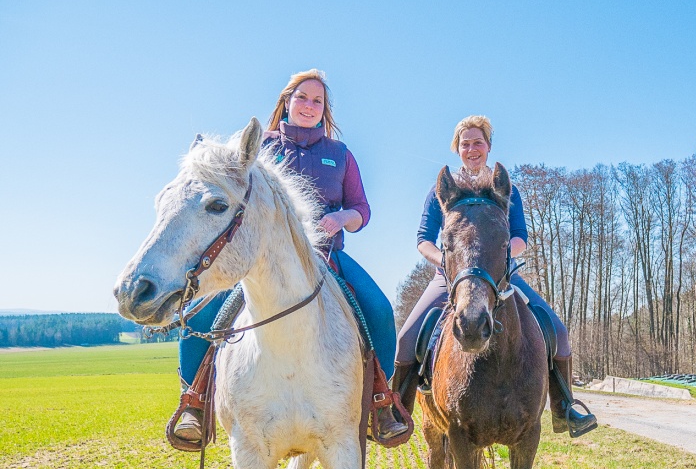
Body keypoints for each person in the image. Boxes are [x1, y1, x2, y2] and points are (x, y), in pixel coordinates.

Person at [172, 69, 407, 443]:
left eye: (318, 101)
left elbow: (361, 209)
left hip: (327, 257)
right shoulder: (260, 146)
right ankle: (194, 402)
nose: (309, 106)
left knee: (378, 309)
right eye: (302, 98)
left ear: (325, 110)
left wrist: (341, 217)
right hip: (259, 260)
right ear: (286, 101)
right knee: (201, 311)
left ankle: (381, 399)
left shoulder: (340, 155)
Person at [390, 115, 597, 438]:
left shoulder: (504, 188)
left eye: (478, 143)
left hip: (499, 275)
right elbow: (423, 239)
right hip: (450, 275)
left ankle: (564, 409)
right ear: (457, 149)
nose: (472, 149)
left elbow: (520, 237)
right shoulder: (440, 190)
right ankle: (397, 415)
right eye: (465, 144)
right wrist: (445, 261)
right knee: (406, 340)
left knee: (557, 331)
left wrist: (497, 260)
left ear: (488, 147)